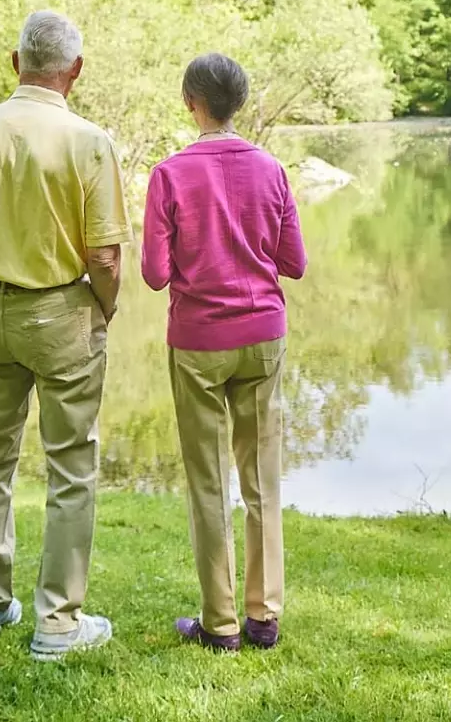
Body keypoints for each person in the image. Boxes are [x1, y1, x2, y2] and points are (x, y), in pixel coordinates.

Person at [0, 9, 128, 663]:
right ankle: (57, 622)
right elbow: (106, 257)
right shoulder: (89, 139)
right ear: (76, 70)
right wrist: (105, 307)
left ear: (16, 62)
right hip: (63, 311)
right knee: (70, 465)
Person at [141, 52, 307, 653]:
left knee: (209, 483)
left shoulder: (169, 174)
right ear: (238, 103)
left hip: (199, 343)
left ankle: (222, 624)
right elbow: (295, 263)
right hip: (263, 338)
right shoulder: (272, 169)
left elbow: (155, 275)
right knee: (262, 478)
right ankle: (265, 617)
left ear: (191, 102)